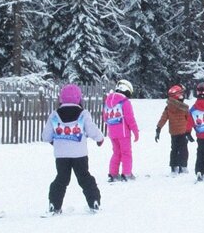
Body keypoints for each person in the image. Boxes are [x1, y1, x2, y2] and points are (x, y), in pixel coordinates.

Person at [43, 84, 105, 215]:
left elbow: (46, 136)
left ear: (61, 99)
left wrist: (53, 141)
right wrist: (99, 139)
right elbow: (92, 129)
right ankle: (94, 201)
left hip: (61, 155)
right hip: (80, 154)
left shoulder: (54, 115)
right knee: (85, 177)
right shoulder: (83, 114)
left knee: (61, 179)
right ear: (79, 99)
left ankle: (54, 204)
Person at [104, 80, 141, 181]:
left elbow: (105, 118)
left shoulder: (107, 101)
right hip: (124, 134)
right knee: (126, 153)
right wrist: (135, 132)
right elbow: (130, 119)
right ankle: (127, 173)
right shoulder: (125, 102)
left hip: (112, 133)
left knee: (116, 153)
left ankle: (113, 174)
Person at [155, 84, 193, 175]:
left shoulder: (168, 107)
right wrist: (190, 131)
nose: (183, 96)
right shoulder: (184, 108)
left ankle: (174, 167)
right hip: (183, 132)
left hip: (173, 132)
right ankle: (183, 166)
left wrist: (158, 128)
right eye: (181, 94)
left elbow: (163, 119)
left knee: (174, 149)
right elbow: (190, 120)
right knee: (183, 149)